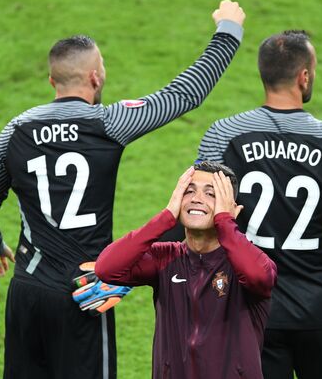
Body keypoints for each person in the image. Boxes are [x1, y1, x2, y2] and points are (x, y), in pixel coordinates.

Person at [0, 1, 246, 378]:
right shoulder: (109, 123)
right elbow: (186, 94)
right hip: (88, 288)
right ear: (96, 77)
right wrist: (229, 29)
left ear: (53, 81)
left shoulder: (15, 130)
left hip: (27, 290)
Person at [197, 30, 322, 379]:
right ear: (304, 76)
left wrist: (123, 269)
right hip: (319, 311)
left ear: (264, 74)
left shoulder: (223, 134)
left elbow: (194, 212)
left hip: (248, 309)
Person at [95, 162, 277, 379]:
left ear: (232, 209)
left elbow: (258, 276)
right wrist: (166, 217)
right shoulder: (165, 258)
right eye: (188, 191)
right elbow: (107, 268)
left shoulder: (247, 262)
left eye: (211, 193)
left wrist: (225, 223)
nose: (196, 198)